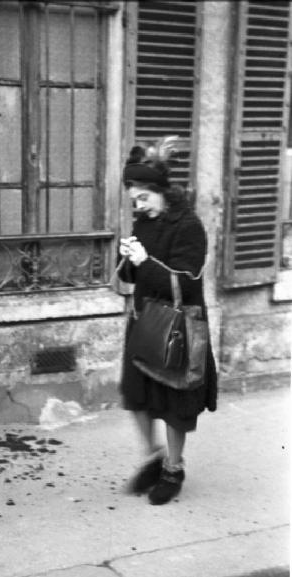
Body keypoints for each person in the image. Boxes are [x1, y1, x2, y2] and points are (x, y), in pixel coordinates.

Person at [118, 142, 217, 505]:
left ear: (162, 193)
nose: (138, 206)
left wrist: (144, 262)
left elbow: (187, 282)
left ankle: (174, 469)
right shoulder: (143, 222)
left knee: (175, 403)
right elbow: (132, 276)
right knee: (137, 395)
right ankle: (154, 457)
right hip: (145, 320)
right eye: (134, 200)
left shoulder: (189, 226)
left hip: (179, 326)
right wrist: (128, 258)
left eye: (144, 198)